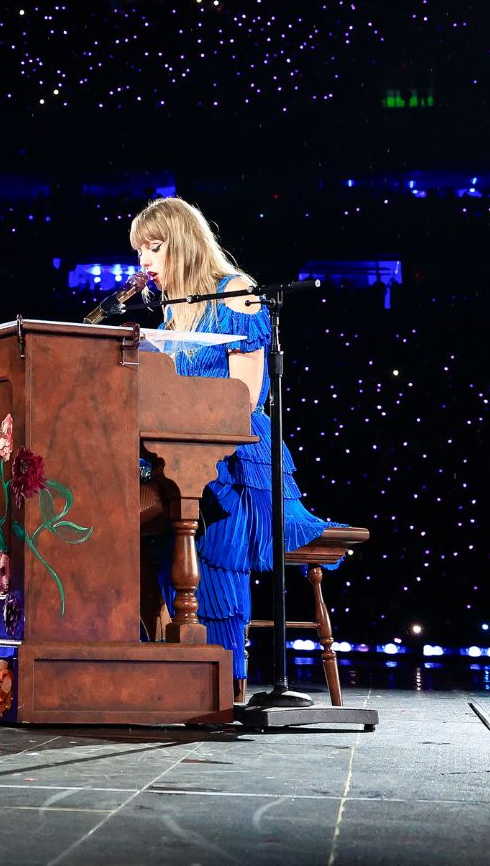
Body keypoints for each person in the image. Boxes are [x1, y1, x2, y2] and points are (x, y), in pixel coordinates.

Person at [131, 196, 336, 705]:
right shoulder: (174, 314)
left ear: (182, 242)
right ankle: (157, 669)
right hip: (179, 452)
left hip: (236, 457)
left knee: (216, 546)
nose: (146, 264)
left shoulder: (236, 293)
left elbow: (245, 399)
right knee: (135, 528)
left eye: (154, 248)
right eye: (140, 253)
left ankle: (223, 684)